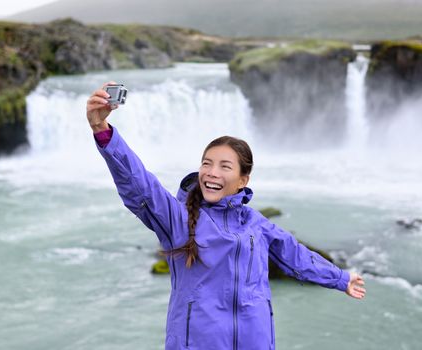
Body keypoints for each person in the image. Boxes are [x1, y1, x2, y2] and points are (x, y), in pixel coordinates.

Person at [86, 82, 366, 350]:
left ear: (243, 180)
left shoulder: (256, 224)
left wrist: (340, 278)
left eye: (224, 166)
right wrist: (103, 130)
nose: (212, 172)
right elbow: (140, 186)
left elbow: (295, 255)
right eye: (206, 163)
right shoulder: (177, 219)